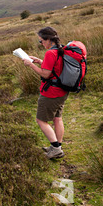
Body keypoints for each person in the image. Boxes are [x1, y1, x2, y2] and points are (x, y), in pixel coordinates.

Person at [23, 27, 68, 159]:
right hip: (62, 90)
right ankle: (57, 146)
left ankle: (55, 149)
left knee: (41, 120)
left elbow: (46, 74)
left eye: (41, 41)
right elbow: (56, 68)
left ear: (48, 39)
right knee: (57, 118)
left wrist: (30, 64)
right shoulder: (61, 49)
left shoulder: (50, 53)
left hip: (51, 92)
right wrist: (40, 61)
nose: (41, 44)